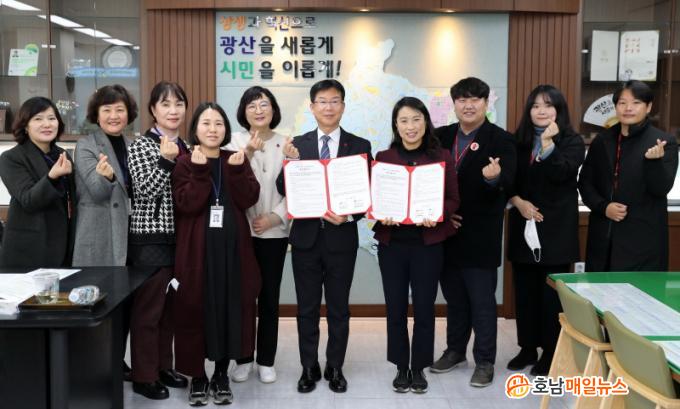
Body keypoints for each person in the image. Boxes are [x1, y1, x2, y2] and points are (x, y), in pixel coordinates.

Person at [276, 79, 373, 393]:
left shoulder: (359, 146)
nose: (328, 107)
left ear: (343, 106)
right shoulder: (298, 144)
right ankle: (309, 367)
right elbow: (283, 188)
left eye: (334, 101)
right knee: (306, 309)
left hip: (341, 239)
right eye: (322, 101)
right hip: (305, 240)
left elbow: (367, 193)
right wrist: (289, 161)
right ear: (312, 106)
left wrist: (350, 215)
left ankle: (335, 366)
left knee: (338, 309)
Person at [430, 77, 516, 387]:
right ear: (454, 104)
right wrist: (442, 213)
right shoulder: (440, 137)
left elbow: (509, 183)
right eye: (462, 100)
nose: (468, 105)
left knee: (482, 303)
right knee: (454, 300)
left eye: (475, 99)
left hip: (480, 235)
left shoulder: (501, 140)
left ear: (486, 103)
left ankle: (485, 360)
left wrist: (494, 179)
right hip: (446, 234)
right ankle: (455, 351)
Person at [172, 102, 260, 405]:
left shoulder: (234, 158)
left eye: (219, 123)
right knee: (193, 310)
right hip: (196, 253)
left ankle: (221, 373)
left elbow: (249, 198)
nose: (213, 129)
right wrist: (199, 172)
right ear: (195, 128)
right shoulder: (185, 163)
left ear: (226, 129)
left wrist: (238, 171)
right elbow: (186, 204)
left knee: (229, 309)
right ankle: (197, 376)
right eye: (206, 123)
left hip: (233, 252)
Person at [373, 97, 460, 393]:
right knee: (395, 307)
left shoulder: (442, 156)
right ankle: (401, 365)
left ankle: (419, 366)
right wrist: (381, 211)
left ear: (425, 122)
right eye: (404, 120)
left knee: (424, 307)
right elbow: (375, 197)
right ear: (396, 126)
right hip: (392, 244)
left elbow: (453, 199)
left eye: (416, 119)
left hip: (428, 244)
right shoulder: (384, 157)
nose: (410, 126)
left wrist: (437, 214)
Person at [506, 85, 585, 376]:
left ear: (558, 110)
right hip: (523, 224)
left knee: (551, 296)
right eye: (536, 105)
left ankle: (551, 351)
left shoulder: (572, 141)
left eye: (548, 105)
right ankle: (527, 347)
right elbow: (508, 180)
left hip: (556, 229)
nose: (541, 111)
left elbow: (562, 172)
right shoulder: (518, 141)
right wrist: (518, 202)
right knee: (525, 292)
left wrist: (549, 143)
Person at [127, 81, 190, 399]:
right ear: (153, 110)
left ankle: (165, 367)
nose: (173, 110)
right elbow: (145, 190)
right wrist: (165, 160)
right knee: (148, 312)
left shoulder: (188, 147)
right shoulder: (140, 145)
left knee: (170, 312)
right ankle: (144, 375)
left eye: (178, 103)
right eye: (165, 104)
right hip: (150, 240)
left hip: (182, 240)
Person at [72, 84, 137, 381]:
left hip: (128, 234)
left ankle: (116, 360)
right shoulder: (87, 145)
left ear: (128, 114)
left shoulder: (132, 144)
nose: (114, 115)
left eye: (119, 109)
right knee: (96, 301)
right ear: (96, 115)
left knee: (123, 303)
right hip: (99, 235)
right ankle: (93, 366)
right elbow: (97, 192)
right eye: (107, 109)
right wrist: (107, 177)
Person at [579, 80, 678, 272]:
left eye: (636, 102)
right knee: (600, 288)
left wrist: (654, 163)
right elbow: (585, 183)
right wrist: (603, 207)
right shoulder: (602, 140)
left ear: (648, 107)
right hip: (603, 237)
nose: (628, 108)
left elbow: (662, 188)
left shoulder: (663, 142)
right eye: (622, 103)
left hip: (642, 240)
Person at [226, 86, 288, 384]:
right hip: (240, 233)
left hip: (274, 234)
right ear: (243, 112)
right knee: (241, 299)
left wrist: (275, 217)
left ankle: (266, 360)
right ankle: (242, 359)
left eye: (264, 104)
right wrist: (248, 152)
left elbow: (296, 186)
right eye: (252, 105)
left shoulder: (287, 143)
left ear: (273, 109)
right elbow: (228, 183)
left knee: (269, 298)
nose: (259, 110)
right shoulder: (232, 142)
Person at [0, 97, 75, 267]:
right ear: (26, 126)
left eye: (51, 118)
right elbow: (28, 199)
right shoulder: (11, 158)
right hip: (29, 248)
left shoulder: (62, 155)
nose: (47, 124)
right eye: (38, 119)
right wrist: (52, 177)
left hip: (63, 245)